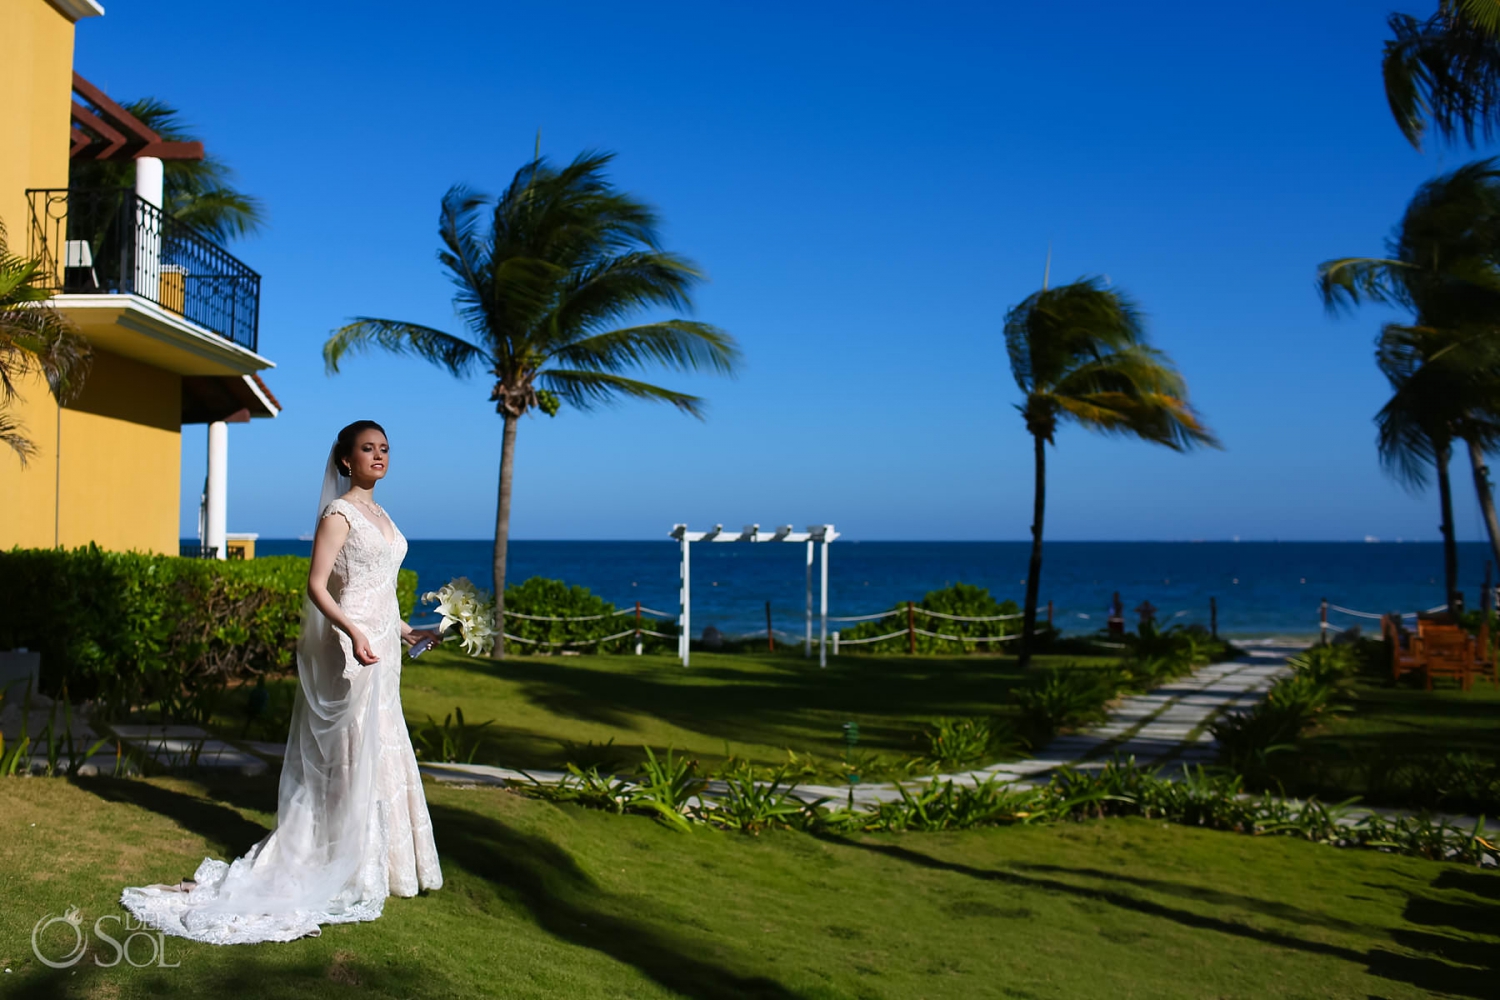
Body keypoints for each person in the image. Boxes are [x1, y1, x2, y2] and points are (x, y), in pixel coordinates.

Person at [121, 420, 444, 944]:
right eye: (367, 449)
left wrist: (410, 631)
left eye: (384, 448)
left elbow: (379, 590)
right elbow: (319, 586)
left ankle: (388, 866)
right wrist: (354, 632)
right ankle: (341, 860)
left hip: (384, 644)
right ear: (346, 460)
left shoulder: (382, 515)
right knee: (350, 747)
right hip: (351, 644)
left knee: (382, 740)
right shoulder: (338, 514)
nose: (379, 456)